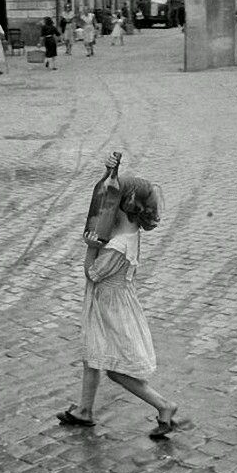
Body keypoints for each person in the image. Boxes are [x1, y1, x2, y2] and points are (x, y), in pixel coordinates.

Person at [57, 153, 178, 440]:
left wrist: (90, 246)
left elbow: (93, 273)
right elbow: (105, 197)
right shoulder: (129, 231)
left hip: (112, 309)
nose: (107, 206)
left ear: (122, 207)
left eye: (113, 202)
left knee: (116, 370)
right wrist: (112, 173)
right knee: (93, 354)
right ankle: (85, 410)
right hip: (110, 303)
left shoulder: (119, 245)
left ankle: (164, 405)